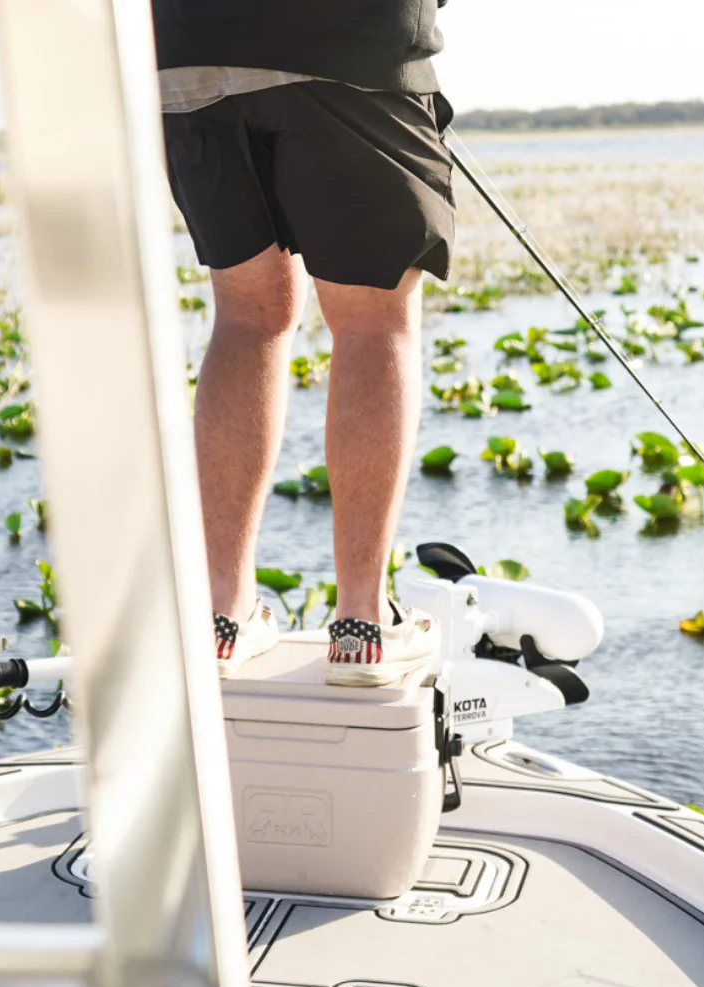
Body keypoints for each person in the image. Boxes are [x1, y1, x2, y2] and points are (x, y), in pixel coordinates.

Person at [152, 0, 455, 685]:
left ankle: (223, 616)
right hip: (350, 43)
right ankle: (362, 625)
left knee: (247, 316)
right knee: (372, 318)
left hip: (186, 53)